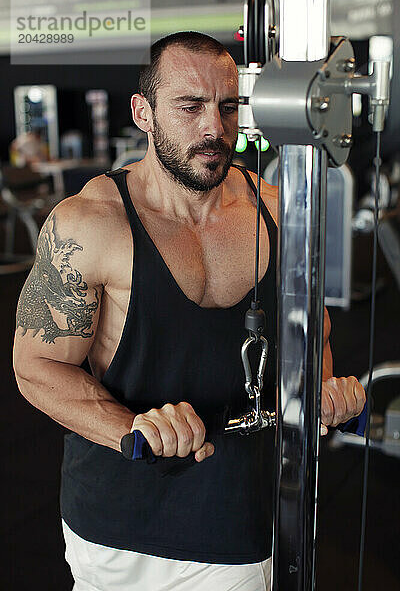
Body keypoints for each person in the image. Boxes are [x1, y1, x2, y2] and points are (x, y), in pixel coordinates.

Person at [13, 32, 366, 591]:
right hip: (111, 524)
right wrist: (131, 427)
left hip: (236, 521)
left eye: (228, 107)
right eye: (190, 106)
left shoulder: (276, 215)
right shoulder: (90, 223)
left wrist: (323, 391)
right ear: (143, 113)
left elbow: (312, 336)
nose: (214, 128)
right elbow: (36, 366)